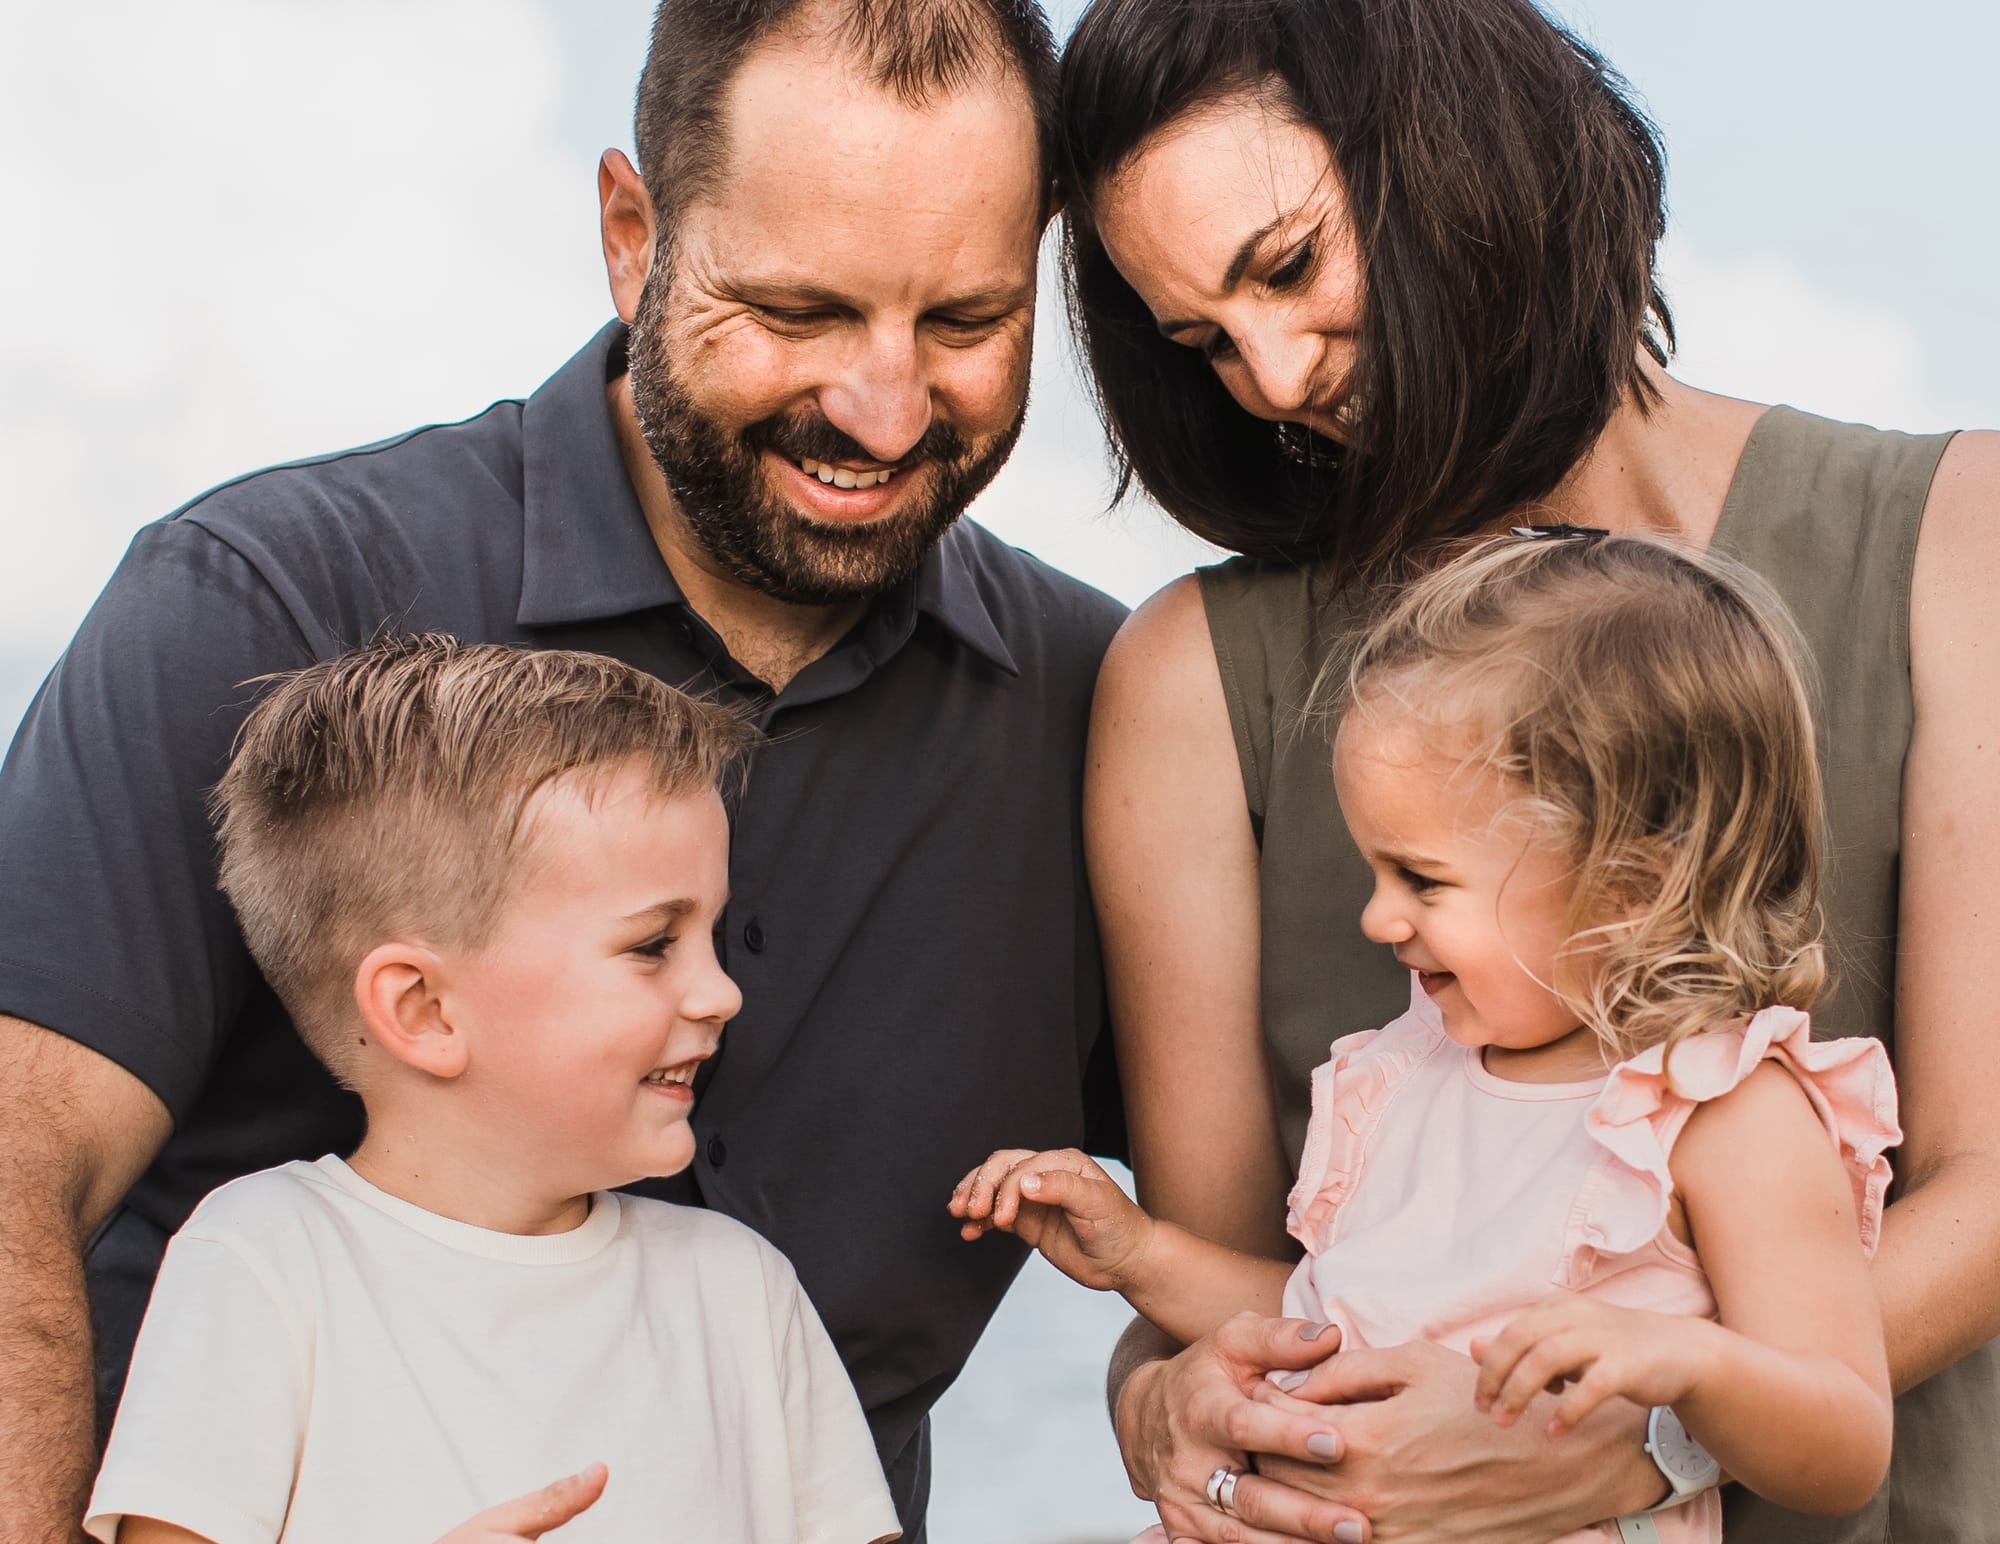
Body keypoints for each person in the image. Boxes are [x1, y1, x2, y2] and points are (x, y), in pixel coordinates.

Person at [0, 4, 1124, 1539]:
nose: (884, 406)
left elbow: (1319, 1218)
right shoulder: (257, 603)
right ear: (629, 234)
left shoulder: (1115, 717)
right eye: (797, 309)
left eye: (965, 323)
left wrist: (1171, 1382)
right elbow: (16, 1167)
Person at [1054, 0, 2000, 1540]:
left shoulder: (1961, 538)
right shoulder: (1186, 683)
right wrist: (1173, 1412)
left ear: (1459, 153)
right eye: (1201, 342)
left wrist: (1644, 1438)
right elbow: (1213, 1303)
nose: (1276, 379)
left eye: (1287, 266)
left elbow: (1992, 1189)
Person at [955, 532, 1901, 1543]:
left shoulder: (1722, 1111)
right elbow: (1330, 1315)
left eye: (1421, 878)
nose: (1377, 917)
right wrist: (1139, 1253)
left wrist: (1691, 1361)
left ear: (1629, 880)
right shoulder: (1410, 1073)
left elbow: (1843, 1440)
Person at [87, 636, 899, 1544]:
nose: (723, 993)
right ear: (425, 1009)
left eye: (715, 932)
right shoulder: (264, 1261)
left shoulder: (743, 1290)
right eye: (651, 945)